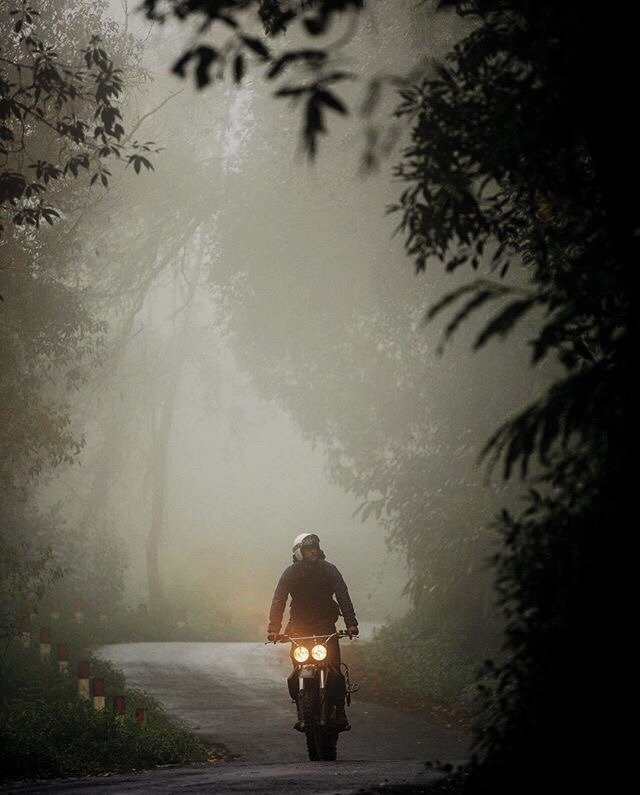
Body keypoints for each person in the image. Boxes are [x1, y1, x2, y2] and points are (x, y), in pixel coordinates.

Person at [267, 532, 359, 732]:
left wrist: (351, 623)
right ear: (298, 552)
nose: (312, 552)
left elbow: (343, 595)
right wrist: (274, 629)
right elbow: (279, 600)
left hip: (326, 627)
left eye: (315, 549)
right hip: (299, 628)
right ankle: (302, 707)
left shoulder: (329, 570)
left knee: (334, 670)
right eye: (308, 549)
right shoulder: (290, 573)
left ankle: (340, 710)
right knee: (297, 671)